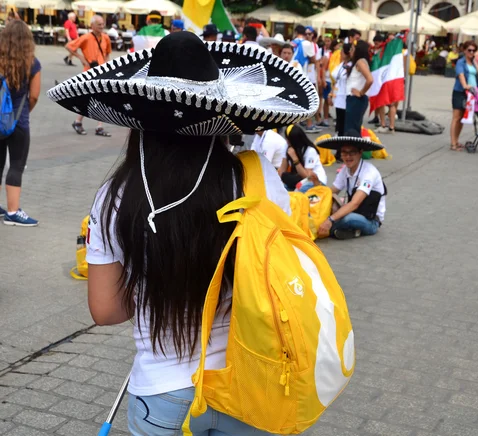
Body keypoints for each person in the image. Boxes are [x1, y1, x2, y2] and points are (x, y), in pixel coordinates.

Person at [50, 30, 322, 435]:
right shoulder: (257, 178)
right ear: (220, 114)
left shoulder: (114, 196)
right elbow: (277, 277)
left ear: (140, 116)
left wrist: (156, 280)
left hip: (161, 392)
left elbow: (106, 310)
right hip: (248, 382)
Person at [0, 20, 41, 226]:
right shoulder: (32, 63)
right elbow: (34, 96)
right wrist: (22, 112)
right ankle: (13, 212)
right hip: (19, 123)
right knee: (16, 165)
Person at [315, 132, 386, 240]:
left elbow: (354, 203)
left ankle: (323, 229)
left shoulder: (369, 172)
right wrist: (316, 189)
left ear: (360, 152)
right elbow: (332, 191)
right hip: (355, 211)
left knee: (348, 218)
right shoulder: (345, 170)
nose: (347, 157)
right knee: (331, 206)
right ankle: (347, 231)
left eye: (352, 153)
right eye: (344, 153)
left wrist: (330, 220)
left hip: (371, 220)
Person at [66, 14, 111, 137]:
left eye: (103, 24)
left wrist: (107, 67)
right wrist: (81, 58)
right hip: (89, 72)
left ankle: (98, 126)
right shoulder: (86, 37)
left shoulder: (106, 38)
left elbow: (107, 53)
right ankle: (78, 122)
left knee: (101, 98)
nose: (102, 27)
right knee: (89, 98)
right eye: (99, 24)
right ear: (92, 26)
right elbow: (69, 46)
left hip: (102, 72)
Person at [450, 41, 478, 151]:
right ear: (464, 50)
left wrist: (475, 60)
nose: (471, 52)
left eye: (473, 50)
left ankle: (456, 140)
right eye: (469, 50)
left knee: (462, 118)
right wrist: (465, 85)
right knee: (456, 117)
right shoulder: (461, 62)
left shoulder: (474, 62)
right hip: (460, 91)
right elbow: (460, 74)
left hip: (472, 93)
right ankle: (453, 143)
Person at [290, 25, 319, 133]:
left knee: (294, 100)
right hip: (302, 73)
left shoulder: (292, 42)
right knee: (308, 99)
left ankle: (294, 125)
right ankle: (309, 124)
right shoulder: (307, 43)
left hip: (291, 71)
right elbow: (313, 59)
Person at [281, 125, 327, 192]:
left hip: (315, 181)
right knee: (281, 189)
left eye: (289, 139)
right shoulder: (287, 146)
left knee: (299, 190)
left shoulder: (310, 150)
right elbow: (282, 169)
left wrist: (295, 159)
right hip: (298, 179)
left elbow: (307, 176)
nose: (287, 141)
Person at [344, 40, 373, 135]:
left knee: (351, 130)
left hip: (356, 99)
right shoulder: (358, 62)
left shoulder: (360, 62)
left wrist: (361, 92)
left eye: (352, 49)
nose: (350, 51)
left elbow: (370, 79)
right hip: (353, 99)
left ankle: (354, 149)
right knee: (352, 128)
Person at [329, 43, 352, 139]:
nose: (340, 54)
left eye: (342, 52)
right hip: (338, 96)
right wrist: (331, 94)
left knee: (344, 122)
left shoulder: (351, 65)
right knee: (339, 121)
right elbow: (336, 80)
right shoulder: (341, 64)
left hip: (346, 97)